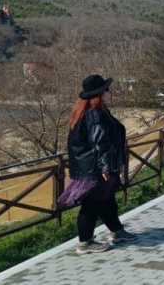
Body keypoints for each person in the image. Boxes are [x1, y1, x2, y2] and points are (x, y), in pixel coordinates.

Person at [58, 74, 138, 255]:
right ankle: (85, 243)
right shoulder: (95, 114)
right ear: (99, 94)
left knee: (107, 201)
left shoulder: (86, 111)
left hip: (88, 167)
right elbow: (100, 143)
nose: (109, 92)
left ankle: (117, 232)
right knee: (91, 205)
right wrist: (105, 168)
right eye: (106, 90)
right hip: (95, 168)